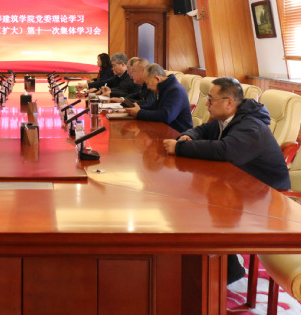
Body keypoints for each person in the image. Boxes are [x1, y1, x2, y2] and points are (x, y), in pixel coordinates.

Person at [162, 77, 291, 284]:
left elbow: (226, 151)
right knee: (195, 200)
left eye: (211, 100)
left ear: (229, 102)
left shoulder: (251, 126)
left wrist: (180, 148)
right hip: (243, 183)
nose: (206, 104)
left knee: (201, 206)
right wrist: (188, 136)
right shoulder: (229, 118)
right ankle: (213, 264)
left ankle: (227, 268)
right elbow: (202, 130)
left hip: (267, 194)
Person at [124, 63, 192, 132]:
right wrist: (137, 108)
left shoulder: (176, 90)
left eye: (147, 83)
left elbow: (167, 116)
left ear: (157, 79)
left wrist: (139, 113)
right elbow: (154, 107)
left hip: (179, 134)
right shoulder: (164, 87)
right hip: (164, 130)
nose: (148, 87)